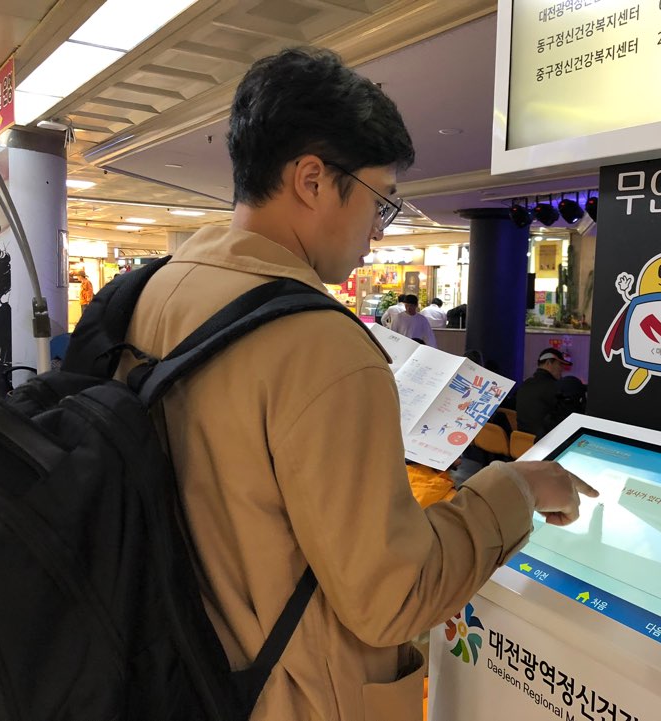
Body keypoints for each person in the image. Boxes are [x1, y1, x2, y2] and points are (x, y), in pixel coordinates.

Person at [118, 47, 595, 721]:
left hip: (176, 669)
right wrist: (516, 489)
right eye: (381, 200)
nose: (378, 230)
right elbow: (393, 597)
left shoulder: (154, 291)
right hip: (290, 696)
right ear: (312, 179)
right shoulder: (323, 347)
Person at [516, 347, 575, 438]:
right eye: (560, 364)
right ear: (548, 363)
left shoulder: (525, 384)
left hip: (522, 442)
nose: (562, 369)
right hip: (544, 442)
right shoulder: (555, 387)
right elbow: (569, 418)